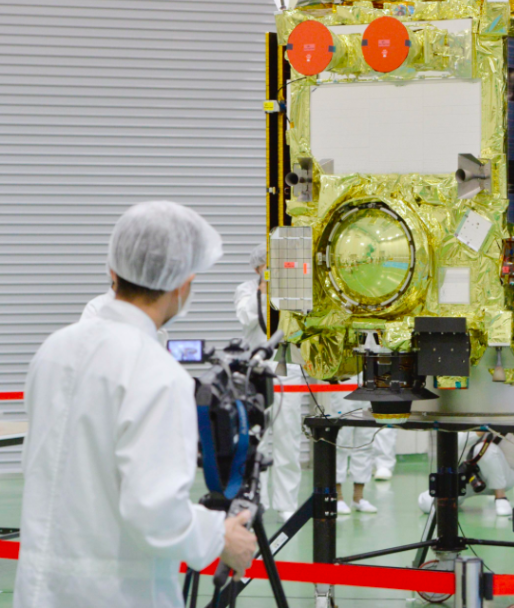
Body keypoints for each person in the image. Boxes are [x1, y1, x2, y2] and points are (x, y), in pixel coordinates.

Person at [15, 201, 257, 608]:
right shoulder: (156, 373)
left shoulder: (54, 349)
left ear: (114, 271)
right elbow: (155, 512)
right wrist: (221, 537)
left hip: (41, 589)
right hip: (114, 595)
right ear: (184, 283)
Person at [234, 242, 304, 522]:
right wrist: (263, 292)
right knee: (256, 440)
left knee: (289, 438)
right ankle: (254, 501)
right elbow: (245, 318)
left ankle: (286, 503)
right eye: (267, 264)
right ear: (257, 267)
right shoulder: (246, 291)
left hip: (288, 369)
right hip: (257, 371)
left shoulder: (293, 290)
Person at [417, 432, 514, 517]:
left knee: (484, 448)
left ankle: (500, 498)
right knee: (427, 503)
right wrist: (477, 432)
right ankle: (456, 498)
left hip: (506, 475)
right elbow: (453, 442)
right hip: (472, 476)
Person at [330, 383, 379, 514]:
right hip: (344, 381)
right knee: (341, 440)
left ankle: (358, 497)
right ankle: (337, 497)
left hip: (369, 383)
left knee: (365, 441)